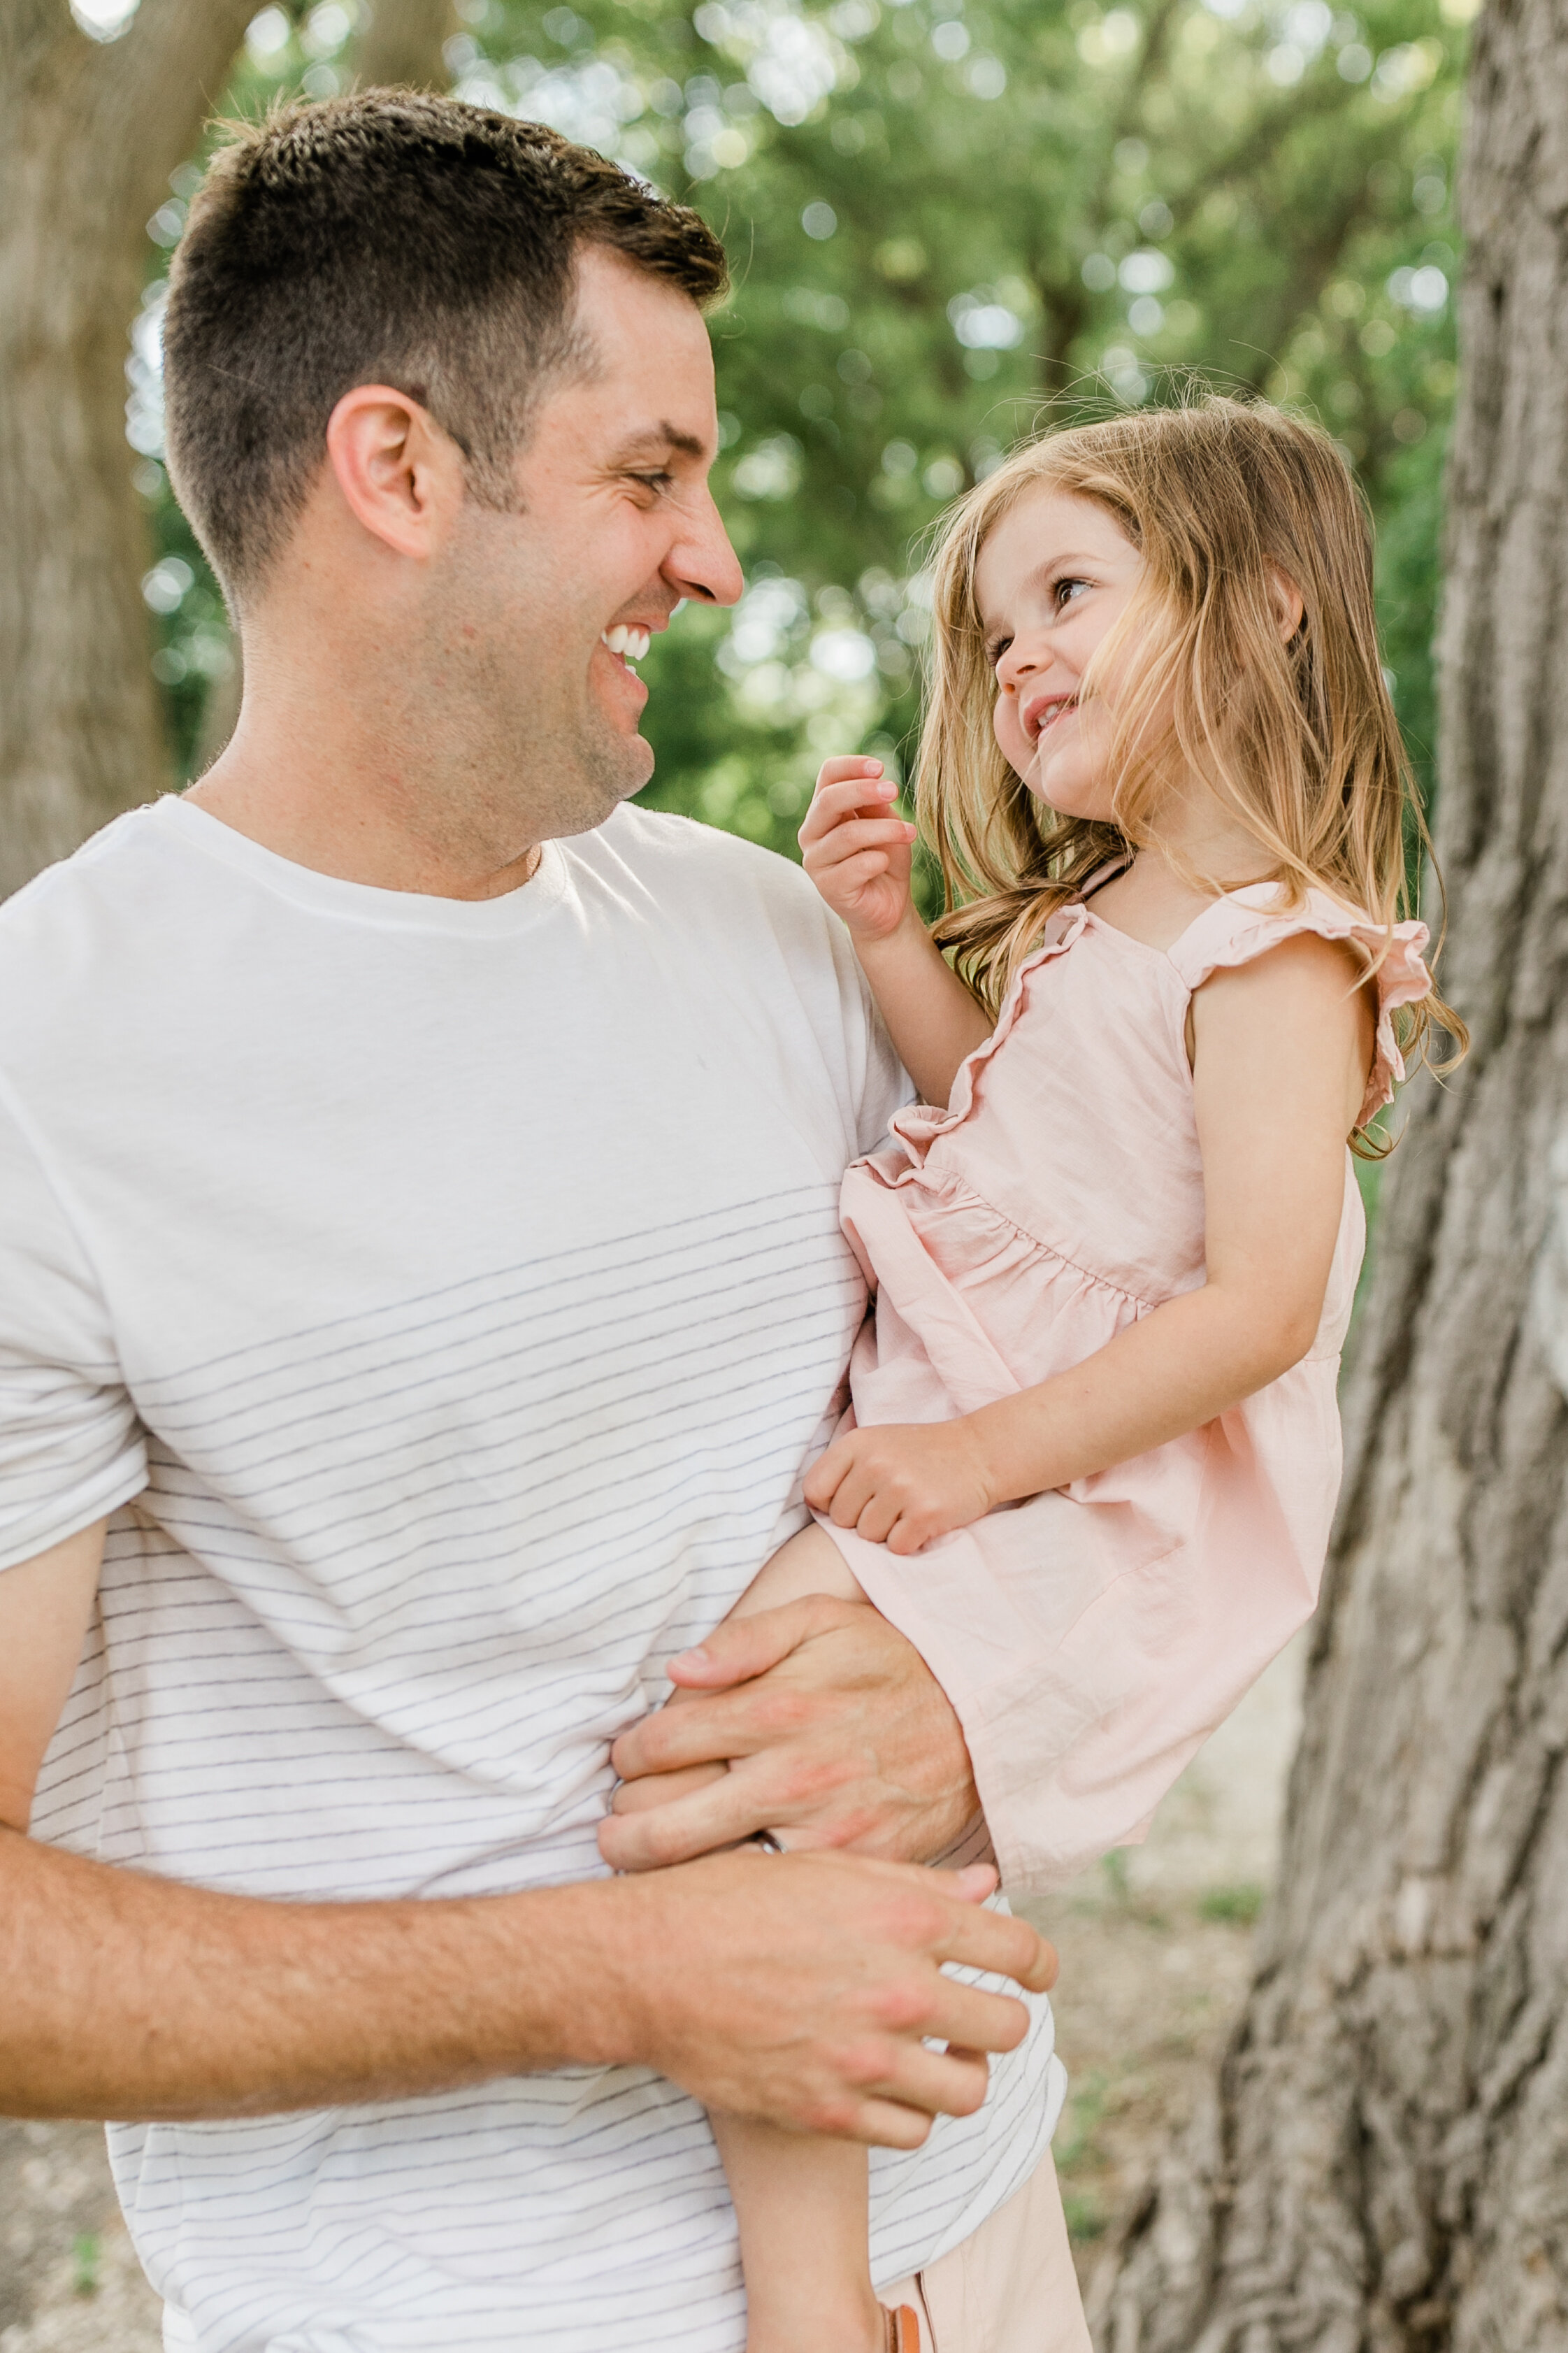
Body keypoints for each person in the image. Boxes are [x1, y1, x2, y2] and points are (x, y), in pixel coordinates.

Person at [0, 93, 1077, 2353]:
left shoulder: (783, 944)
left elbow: (1089, 1390)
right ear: (396, 474)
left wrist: (984, 1706)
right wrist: (633, 1980)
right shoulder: (46, 1079)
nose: (716, 564)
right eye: (646, 474)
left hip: (976, 2247)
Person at [607, 398, 1466, 2351]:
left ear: (1262, 615)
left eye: (1070, 591)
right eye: (997, 629)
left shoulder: (1275, 956)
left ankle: (816, 2294)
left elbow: (1252, 1305)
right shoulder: (1100, 918)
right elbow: (991, 1126)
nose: (1017, 655)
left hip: (1086, 1471)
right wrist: (890, 932)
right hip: (995, 1428)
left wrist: (981, 1456)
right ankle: (886, 2257)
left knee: (734, 1770)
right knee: (759, 1798)